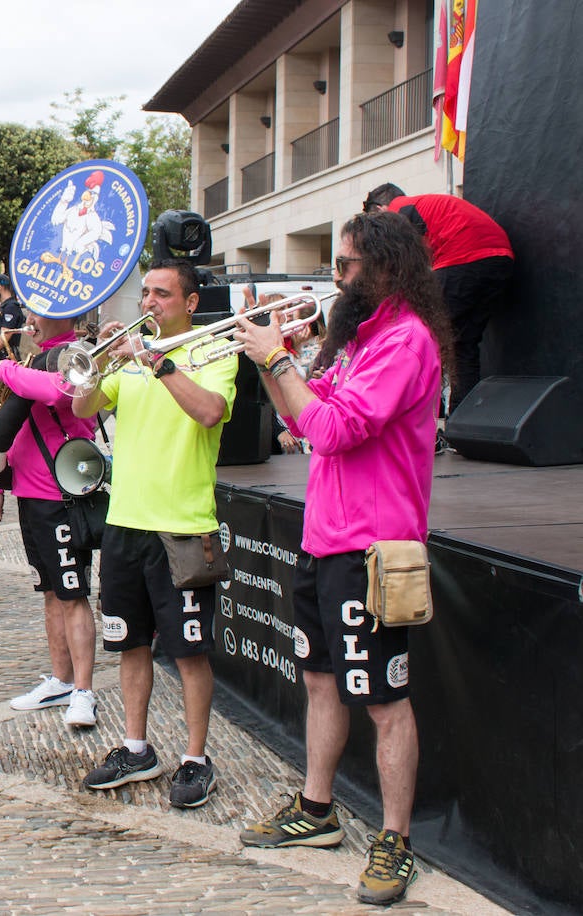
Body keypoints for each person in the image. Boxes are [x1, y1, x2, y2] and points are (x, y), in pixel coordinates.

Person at [232, 211, 451, 906]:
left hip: (373, 548)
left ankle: (395, 840)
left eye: (347, 265)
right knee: (321, 681)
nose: (337, 277)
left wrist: (278, 357)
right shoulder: (360, 340)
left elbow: (333, 427)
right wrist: (269, 358)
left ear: (386, 266)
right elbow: (303, 421)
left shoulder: (405, 342)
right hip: (326, 538)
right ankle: (317, 809)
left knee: (385, 702)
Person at [71, 259, 237, 810]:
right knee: (129, 642)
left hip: (183, 527)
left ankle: (195, 758)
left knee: (189, 652)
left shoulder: (212, 351)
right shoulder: (132, 352)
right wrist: (93, 370)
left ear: (190, 303)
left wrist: (159, 364)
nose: (148, 303)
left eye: (161, 294)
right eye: (145, 293)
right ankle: (136, 746)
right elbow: (83, 406)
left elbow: (210, 412)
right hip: (125, 523)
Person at [0, 310, 100, 727]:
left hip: (62, 494)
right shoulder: (31, 361)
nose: (29, 324)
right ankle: (62, 680)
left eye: (37, 318)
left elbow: (60, 394)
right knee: (51, 593)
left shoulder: (78, 352)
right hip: (30, 494)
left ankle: (84, 691)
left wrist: (3, 367)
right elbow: (11, 428)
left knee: (73, 594)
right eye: (29, 316)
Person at [362, 183, 512, 414]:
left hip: (464, 259)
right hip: (500, 260)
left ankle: (416, 417)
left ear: (380, 208)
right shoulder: (428, 208)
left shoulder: (399, 208)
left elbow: (402, 263)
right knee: (463, 344)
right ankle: (461, 419)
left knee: (416, 336)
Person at [0, 274, 25, 362]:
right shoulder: (5, 306)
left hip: (7, 356)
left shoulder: (11, 307)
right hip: (1, 356)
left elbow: (5, 336)